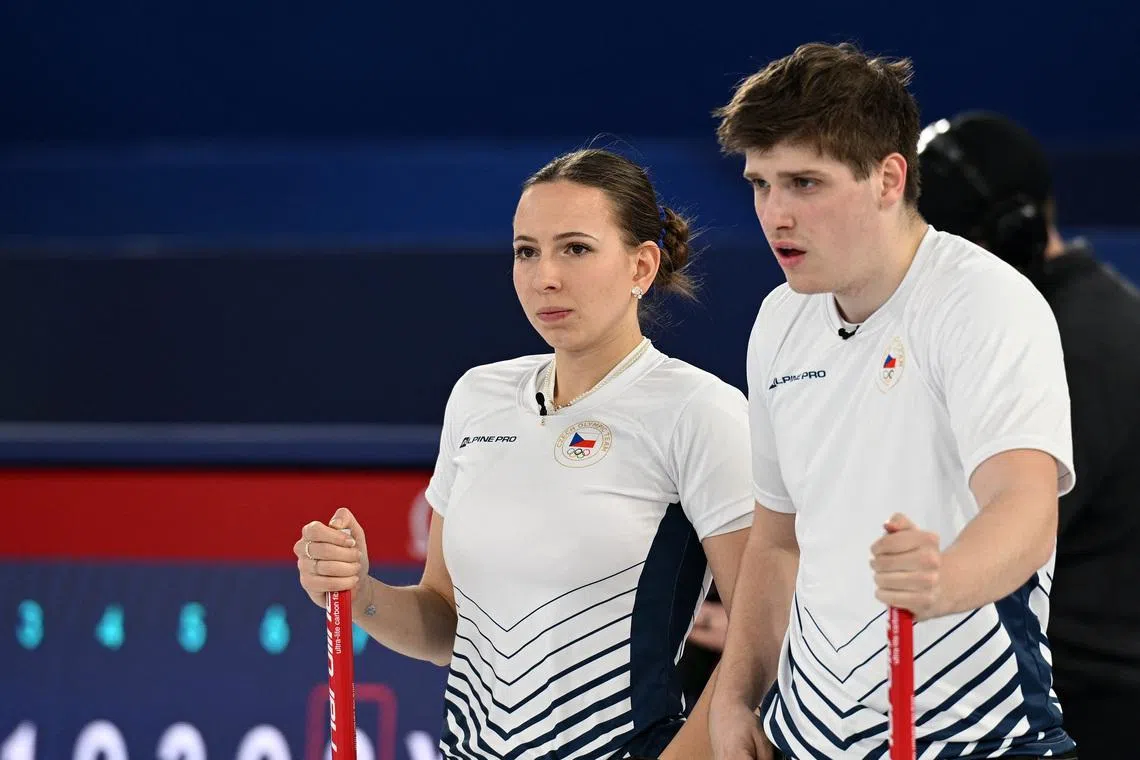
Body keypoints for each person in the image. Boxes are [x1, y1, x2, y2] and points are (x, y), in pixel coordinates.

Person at [295, 147, 756, 759]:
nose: (546, 277)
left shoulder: (701, 410)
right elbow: (447, 624)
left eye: (576, 248)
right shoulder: (478, 396)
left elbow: (763, 637)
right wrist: (358, 592)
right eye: (526, 251)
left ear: (642, 266)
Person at [707, 42, 1078, 759]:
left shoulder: (984, 302)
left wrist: (945, 580)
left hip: (980, 739)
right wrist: (734, 697)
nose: (775, 214)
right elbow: (777, 541)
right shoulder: (779, 321)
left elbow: (1027, 508)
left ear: (887, 177)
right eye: (760, 184)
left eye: (804, 184)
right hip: (806, 741)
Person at [918, 110, 1140, 759]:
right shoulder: (1072, 317)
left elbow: (988, 548)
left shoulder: (1076, 350)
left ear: (1007, 236)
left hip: (1082, 700)